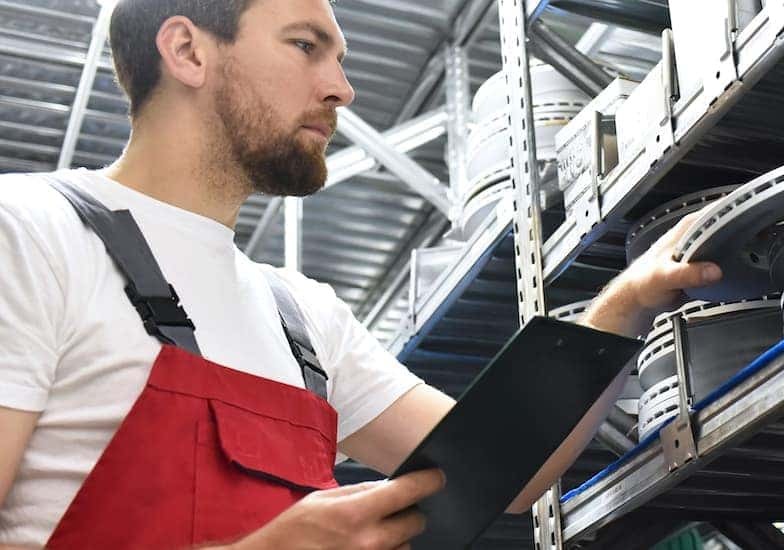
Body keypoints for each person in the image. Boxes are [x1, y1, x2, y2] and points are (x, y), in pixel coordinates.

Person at [0, 0, 722, 548]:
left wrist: (621, 307)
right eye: (306, 46)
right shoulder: (31, 233)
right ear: (188, 51)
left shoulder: (299, 317)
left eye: (340, 58)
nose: (342, 88)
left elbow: (504, 470)